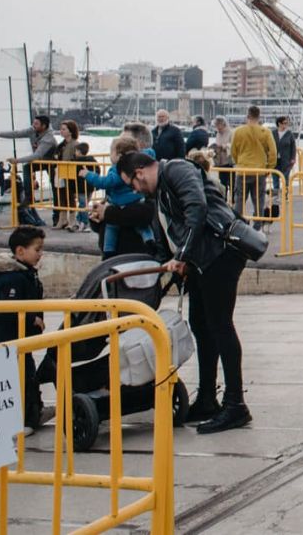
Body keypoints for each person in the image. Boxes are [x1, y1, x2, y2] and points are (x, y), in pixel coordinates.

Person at [118, 150, 251, 433]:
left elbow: (197, 209)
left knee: (221, 327)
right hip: (201, 261)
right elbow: (167, 231)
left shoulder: (176, 169)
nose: (135, 190)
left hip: (220, 255)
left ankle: (235, 404)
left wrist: (182, 255)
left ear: (140, 172)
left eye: (133, 183)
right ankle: (207, 398)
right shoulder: (158, 195)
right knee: (202, 327)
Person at [0, 226, 49, 429]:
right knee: (19, 380)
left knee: (26, 377)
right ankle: (24, 420)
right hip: (9, 340)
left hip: (20, 341)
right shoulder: (12, 279)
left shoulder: (27, 274)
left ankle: (31, 413)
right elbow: (9, 309)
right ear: (20, 251)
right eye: (37, 249)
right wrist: (33, 319)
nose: (40, 254)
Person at [80, 134, 160, 259]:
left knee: (113, 228)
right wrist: (96, 217)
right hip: (123, 255)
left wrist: (88, 175)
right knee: (142, 229)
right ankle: (149, 241)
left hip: (131, 253)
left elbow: (143, 215)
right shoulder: (133, 189)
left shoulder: (147, 193)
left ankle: (108, 252)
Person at [0, 114, 57, 225]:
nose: (33, 126)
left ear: (44, 126)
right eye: (33, 123)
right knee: (27, 167)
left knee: (56, 189)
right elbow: (17, 133)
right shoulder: (33, 130)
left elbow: (36, 155)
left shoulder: (49, 138)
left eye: (36, 124)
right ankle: (28, 195)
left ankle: (57, 217)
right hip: (42, 161)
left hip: (53, 163)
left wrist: (17, 160)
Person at [230, 106, 277, 230]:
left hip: (243, 170)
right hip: (259, 170)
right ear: (259, 116)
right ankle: (257, 226)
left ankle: (237, 225)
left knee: (239, 199)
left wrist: (238, 162)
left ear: (248, 116)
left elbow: (233, 151)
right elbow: (273, 152)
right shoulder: (266, 132)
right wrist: (269, 167)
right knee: (259, 200)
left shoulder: (238, 131)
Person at [54, 119, 81, 231]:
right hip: (61, 172)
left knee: (70, 196)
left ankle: (72, 220)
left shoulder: (75, 144)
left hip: (70, 173)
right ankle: (62, 219)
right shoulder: (61, 145)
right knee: (61, 195)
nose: (61, 131)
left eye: (64, 129)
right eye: (61, 129)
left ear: (70, 131)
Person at [272, 116, 297, 208]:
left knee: (285, 179)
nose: (286, 125)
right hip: (275, 161)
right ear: (279, 123)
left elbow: (293, 147)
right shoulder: (273, 133)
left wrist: (293, 158)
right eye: (284, 123)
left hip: (286, 161)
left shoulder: (289, 134)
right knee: (275, 179)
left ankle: (285, 196)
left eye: (287, 123)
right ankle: (275, 198)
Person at [211, 116, 233, 192]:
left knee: (232, 182)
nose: (217, 128)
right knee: (222, 183)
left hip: (229, 162)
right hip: (221, 162)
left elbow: (233, 145)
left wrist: (225, 146)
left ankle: (233, 200)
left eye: (218, 125)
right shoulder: (218, 134)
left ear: (223, 124)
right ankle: (224, 199)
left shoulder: (231, 133)